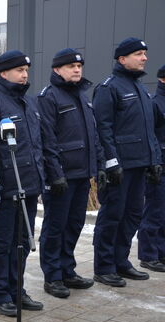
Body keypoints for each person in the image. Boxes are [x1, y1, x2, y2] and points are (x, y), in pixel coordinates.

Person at [0, 50, 45, 317]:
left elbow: (37, 146)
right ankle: (1, 294)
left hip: (28, 186)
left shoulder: (29, 104)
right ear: (3, 73)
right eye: (19, 71)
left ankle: (17, 289)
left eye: (26, 71)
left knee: (22, 241)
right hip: (6, 189)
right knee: (2, 244)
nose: (24, 75)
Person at [92, 38, 162, 287]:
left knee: (132, 215)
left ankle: (121, 261)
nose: (144, 58)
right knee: (112, 216)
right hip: (120, 167)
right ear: (122, 59)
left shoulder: (141, 89)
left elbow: (149, 130)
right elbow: (103, 129)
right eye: (139, 54)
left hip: (139, 165)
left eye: (145, 53)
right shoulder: (109, 88)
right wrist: (111, 163)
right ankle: (104, 266)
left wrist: (154, 160)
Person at [37, 49, 106, 298]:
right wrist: (55, 175)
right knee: (55, 226)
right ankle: (52, 276)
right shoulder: (49, 98)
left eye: (79, 66)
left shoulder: (83, 98)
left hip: (82, 175)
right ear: (57, 70)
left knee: (74, 224)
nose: (77, 70)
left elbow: (93, 137)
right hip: (62, 177)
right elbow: (48, 141)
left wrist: (98, 167)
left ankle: (67, 270)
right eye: (70, 66)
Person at [137, 65, 165, 272]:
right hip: (159, 164)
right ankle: (148, 254)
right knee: (154, 210)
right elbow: (150, 135)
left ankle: (161, 252)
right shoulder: (155, 103)